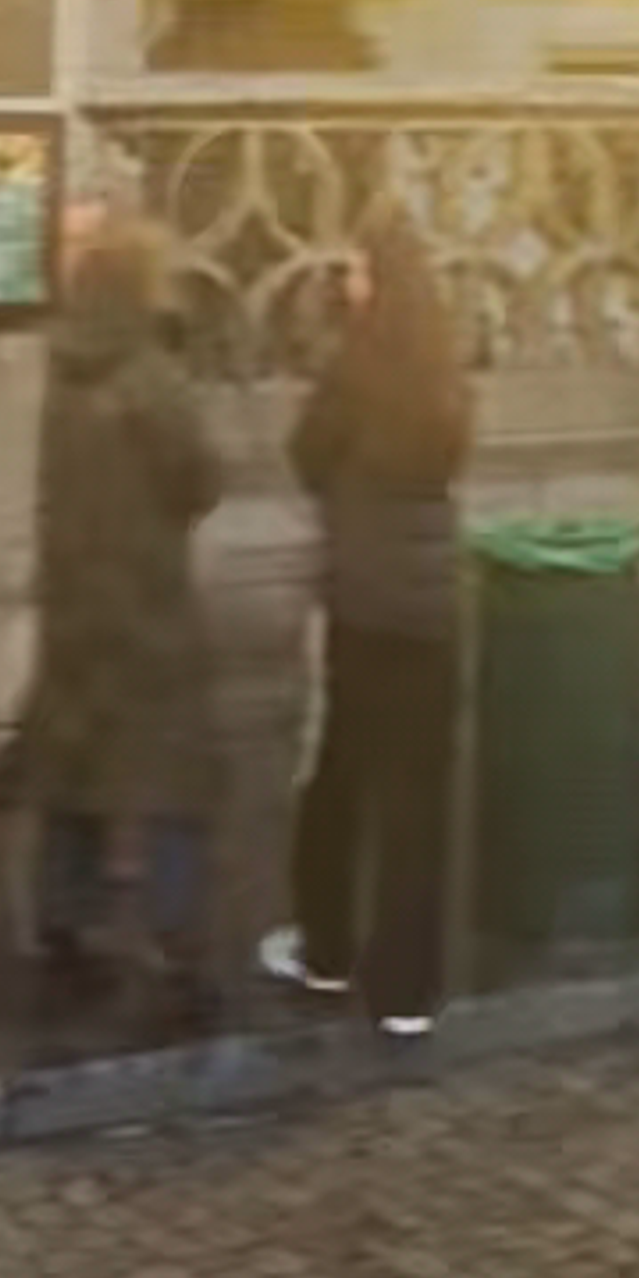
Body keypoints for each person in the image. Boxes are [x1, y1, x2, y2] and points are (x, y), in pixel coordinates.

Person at [264, 202, 473, 1045]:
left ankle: (326, 950)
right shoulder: (446, 375)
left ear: (377, 281)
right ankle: (408, 990)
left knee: (338, 782)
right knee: (418, 803)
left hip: (361, 607)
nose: (345, 280)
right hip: (430, 610)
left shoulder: (355, 372)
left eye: (355, 268)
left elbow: (305, 455)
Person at [21, 213, 224, 1023]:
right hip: (146, 601)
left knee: (72, 770)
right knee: (171, 776)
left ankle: (62, 917)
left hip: (75, 601)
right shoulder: (150, 376)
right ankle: (177, 934)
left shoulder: (63, 375)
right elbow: (199, 479)